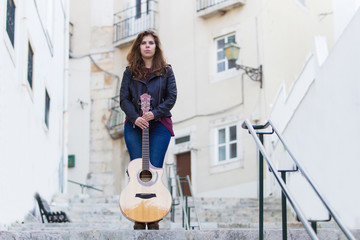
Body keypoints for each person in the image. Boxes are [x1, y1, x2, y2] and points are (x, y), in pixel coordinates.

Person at [119, 30, 177, 230]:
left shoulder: (167, 71)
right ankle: (137, 212)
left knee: (155, 169)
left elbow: (171, 97)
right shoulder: (130, 72)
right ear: (139, 47)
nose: (147, 46)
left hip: (159, 125)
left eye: (151, 42)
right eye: (143, 43)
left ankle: (153, 215)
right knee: (137, 169)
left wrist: (155, 113)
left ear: (156, 47)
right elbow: (124, 99)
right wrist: (136, 118)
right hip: (135, 127)